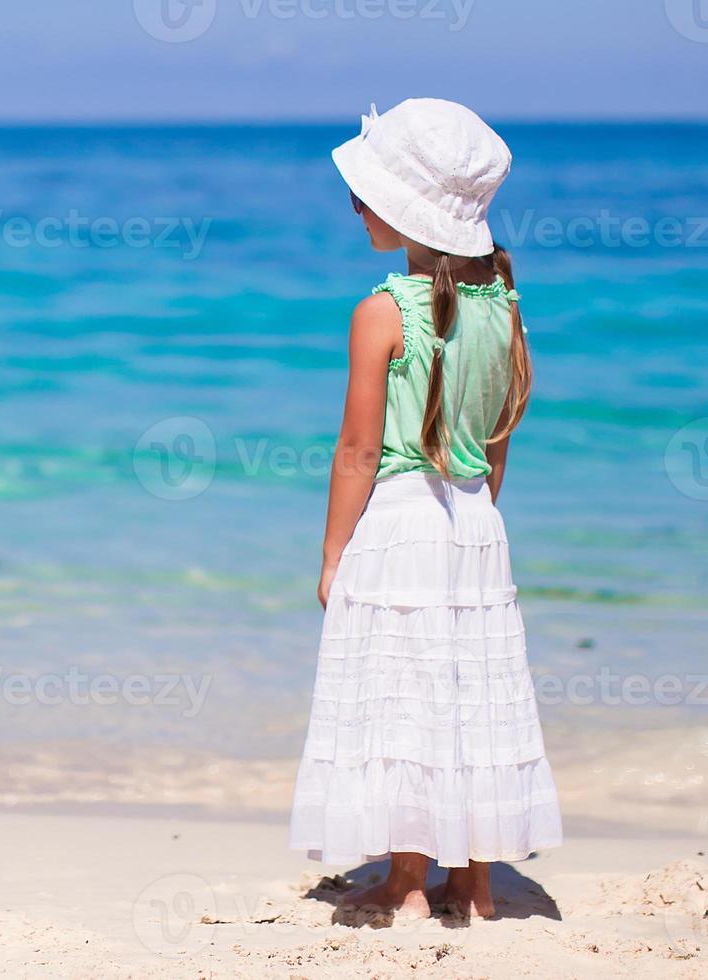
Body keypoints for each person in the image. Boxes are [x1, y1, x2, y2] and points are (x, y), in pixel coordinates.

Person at [288, 99, 563, 920]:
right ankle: (474, 883)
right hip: (478, 521)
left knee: (405, 696)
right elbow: (500, 438)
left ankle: (408, 882)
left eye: (364, 194)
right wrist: (474, 519)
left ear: (400, 210)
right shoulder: (504, 307)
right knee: (469, 693)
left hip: (400, 522)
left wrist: (334, 555)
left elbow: (357, 453)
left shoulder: (381, 312)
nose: (355, 207)